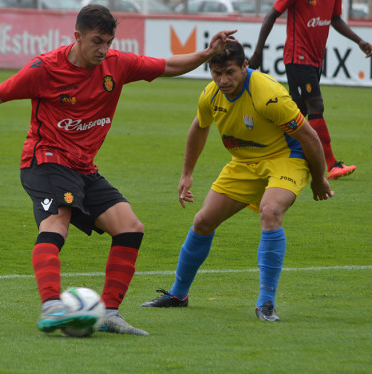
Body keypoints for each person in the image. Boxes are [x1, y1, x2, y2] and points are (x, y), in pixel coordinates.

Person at [0, 4, 236, 336]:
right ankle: (52, 307)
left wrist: (207, 54)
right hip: (45, 161)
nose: (103, 49)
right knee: (57, 223)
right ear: (77, 36)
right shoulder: (44, 68)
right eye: (97, 41)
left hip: (83, 168)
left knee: (130, 227)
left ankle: (110, 314)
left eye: (109, 41)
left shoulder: (117, 65)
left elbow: (169, 65)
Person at [140, 39, 334, 321]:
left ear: (245, 66)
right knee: (203, 221)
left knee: (270, 211)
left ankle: (265, 304)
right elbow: (199, 127)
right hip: (244, 162)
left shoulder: (268, 94)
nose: (223, 80)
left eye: (230, 72)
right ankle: (178, 294)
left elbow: (309, 137)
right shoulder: (210, 94)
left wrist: (319, 179)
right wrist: (187, 174)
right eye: (216, 73)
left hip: (285, 158)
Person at [248, 0, 372, 180]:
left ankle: (267, 153)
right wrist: (258, 52)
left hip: (316, 60)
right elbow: (270, 16)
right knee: (316, 105)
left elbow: (335, 19)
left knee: (297, 112)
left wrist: (359, 41)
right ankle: (332, 164)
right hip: (297, 58)